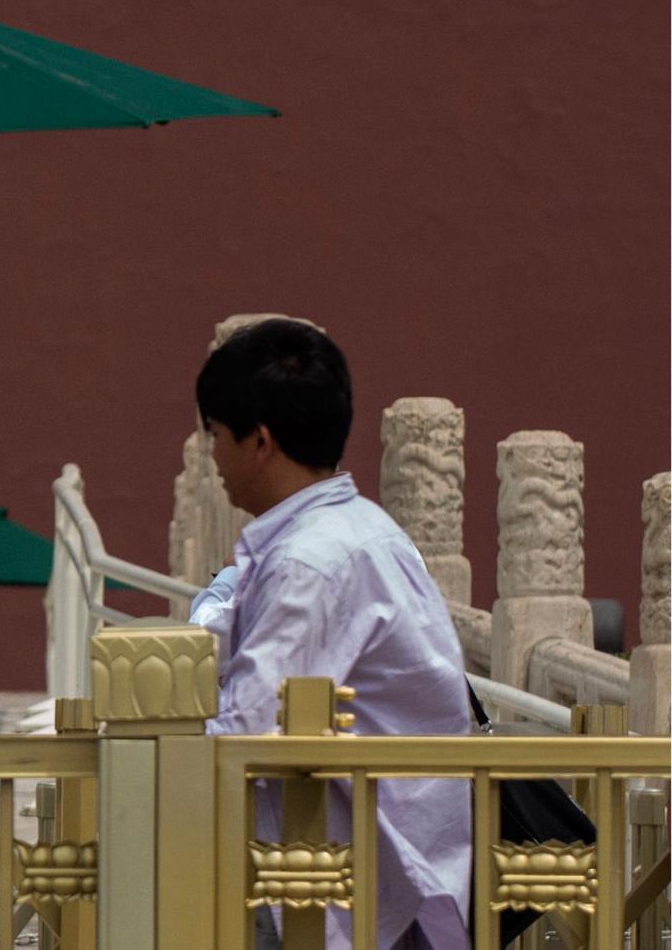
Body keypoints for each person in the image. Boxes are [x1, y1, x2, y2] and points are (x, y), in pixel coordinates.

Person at [194, 318, 471, 950]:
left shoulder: (308, 563)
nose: (213, 458)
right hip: (396, 863)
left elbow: (249, 731)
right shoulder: (362, 529)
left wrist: (126, 745)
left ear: (258, 441)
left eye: (215, 434)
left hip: (346, 878)